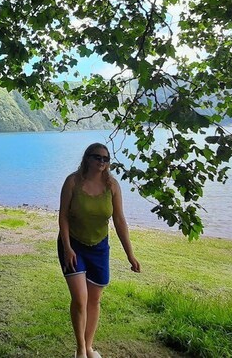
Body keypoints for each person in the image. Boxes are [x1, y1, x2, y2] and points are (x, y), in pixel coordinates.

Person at [58, 142, 141, 358]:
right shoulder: (72, 182)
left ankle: (89, 346)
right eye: (97, 157)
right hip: (73, 245)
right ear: (87, 158)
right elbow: (63, 216)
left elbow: (120, 220)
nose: (102, 162)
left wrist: (130, 254)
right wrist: (67, 247)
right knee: (80, 299)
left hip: (99, 248)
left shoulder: (112, 186)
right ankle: (80, 351)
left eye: (106, 159)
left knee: (94, 300)